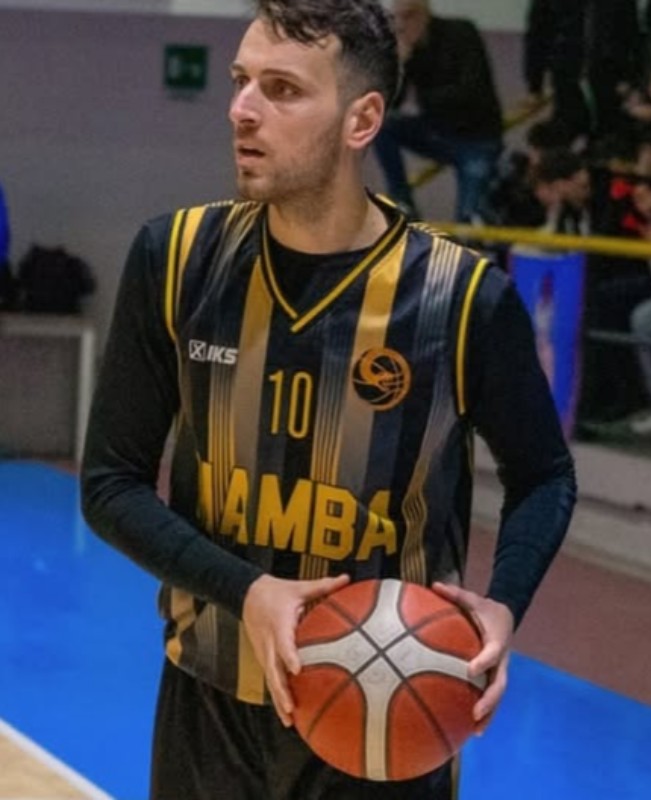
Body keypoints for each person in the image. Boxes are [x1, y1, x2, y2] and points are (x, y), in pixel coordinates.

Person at [80, 2, 576, 798]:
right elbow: (110, 484)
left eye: (281, 89)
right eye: (241, 81)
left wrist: (504, 605)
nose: (242, 109)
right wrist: (248, 591)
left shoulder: (460, 298)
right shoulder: (174, 260)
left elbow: (544, 474)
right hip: (211, 702)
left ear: (362, 120)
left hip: (389, 716)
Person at [372, 0, 503, 222]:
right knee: (382, 125)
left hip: (477, 138)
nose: (402, 25)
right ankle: (402, 200)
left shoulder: (461, 33)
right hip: (439, 131)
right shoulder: (408, 46)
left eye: (409, 16)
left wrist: (422, 102)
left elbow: (472, 91)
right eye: (396, 18)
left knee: (468, 222)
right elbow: (394, 102)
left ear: (425, 13)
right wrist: (400, 64)